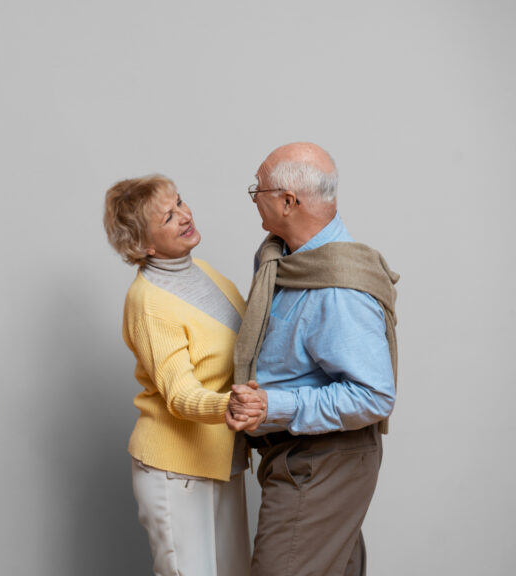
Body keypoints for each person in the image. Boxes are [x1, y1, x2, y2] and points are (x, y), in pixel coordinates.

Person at [226, 142, 399, 576]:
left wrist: (273, 405)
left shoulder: (338, 289)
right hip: (296, 455)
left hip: (323, 461)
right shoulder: (279, 259)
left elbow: (374, 396)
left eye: (258, 190)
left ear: (288, 202)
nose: (253, 198)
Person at [103, 175, 258, 576]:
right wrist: (233, 405)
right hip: (177, 470)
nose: (185, 216)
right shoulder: (148, 302)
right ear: (144, 245)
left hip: (223, 459)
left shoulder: (205, 273)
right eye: (168, 216)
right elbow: (180, 394)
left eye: (180, 203)